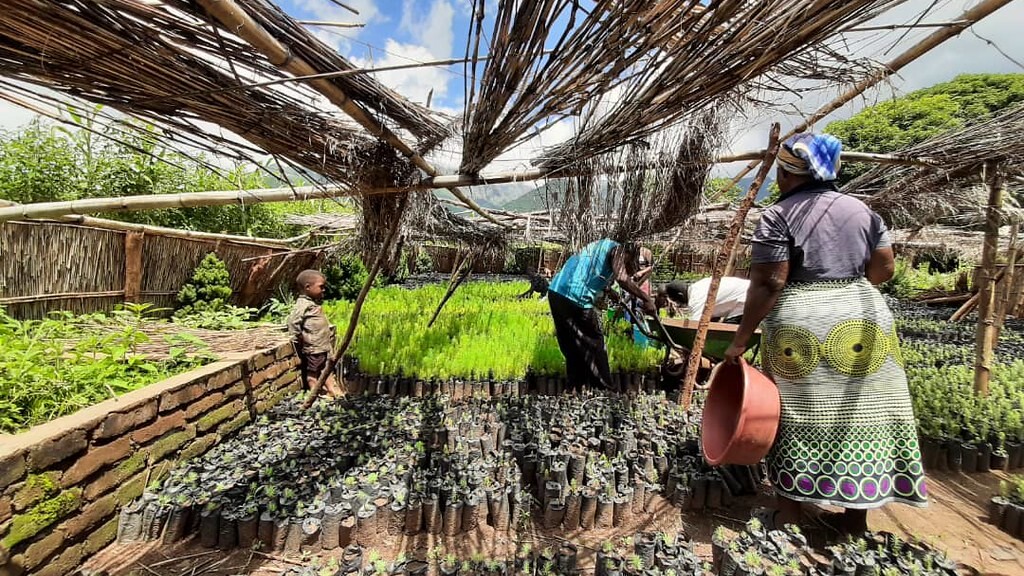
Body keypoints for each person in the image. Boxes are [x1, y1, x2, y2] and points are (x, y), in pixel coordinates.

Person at [723, 133, 926, 535]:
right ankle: (855, 518)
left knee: (799, 415)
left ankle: (790, 515)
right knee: (866, 414)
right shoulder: (863, 211)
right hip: (865, 319)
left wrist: (740, 339)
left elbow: (769, 282)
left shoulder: (778, 215)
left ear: (786, 172)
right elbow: (885, 270)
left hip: (805, 326)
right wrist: (847, 286)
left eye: (780, 170)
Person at [548, 239, 655, 392]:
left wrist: (610, 292)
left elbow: (591, 273)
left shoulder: (601, 247)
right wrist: (647, 299)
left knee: (572, 346)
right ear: (629, 253)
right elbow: (622, 278)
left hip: (556, 292)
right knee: (595, 344)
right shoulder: (618, 249)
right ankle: (606, 390)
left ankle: (576, 388)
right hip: (575, 295)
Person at [287, 269, 343, 400]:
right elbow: (293, 322)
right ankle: (314, 392)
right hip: (313, 347)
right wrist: (297, 337)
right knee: (313, 371)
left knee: (326, 369)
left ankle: (331, 389)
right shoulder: (303, 305)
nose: (323, 290)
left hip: (322, 346)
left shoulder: (312, 304)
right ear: (307, 287)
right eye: (321, 287)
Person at [656, 276, 749, 322]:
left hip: (747, 298)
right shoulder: (698, 287)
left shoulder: (696, 299)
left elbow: (695, 326)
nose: (678, 303)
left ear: (680, 295)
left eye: (676, 300)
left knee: (729, 335)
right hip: (750, 293)